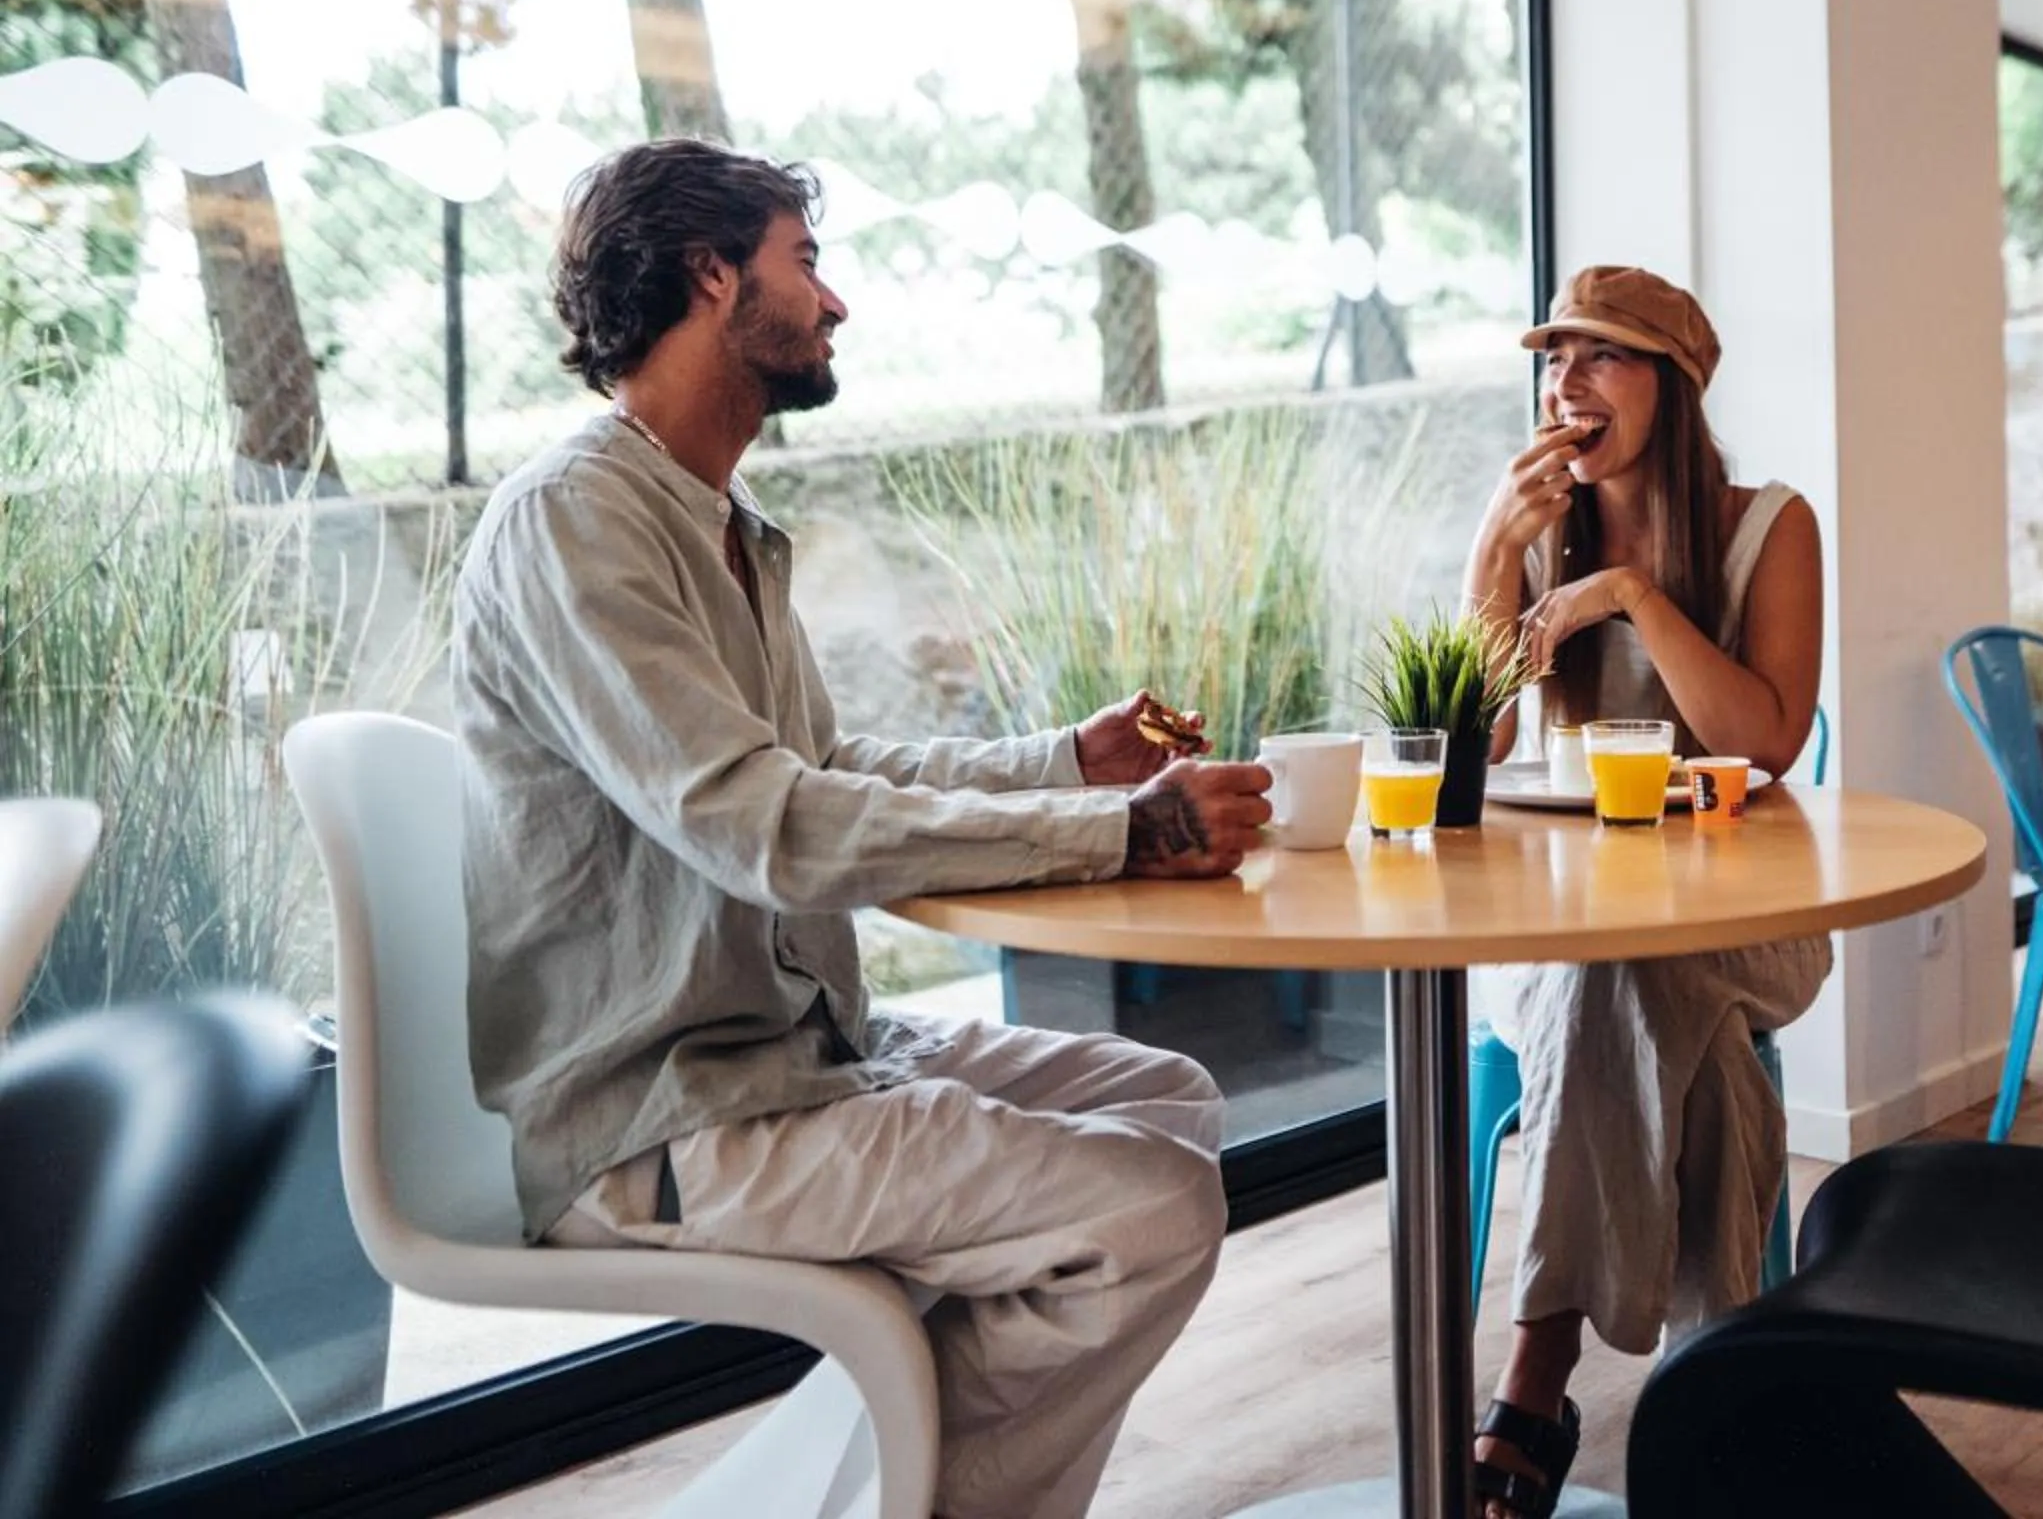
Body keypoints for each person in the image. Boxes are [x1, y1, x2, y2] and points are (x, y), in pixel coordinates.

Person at [449, 140, 1272, 1519]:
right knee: (1148, 1215)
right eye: (806, 263)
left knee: (1169, 1102)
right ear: (715, 278)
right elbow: (767, 826)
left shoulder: (721, 523)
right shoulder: (574, 524)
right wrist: (1116, 836)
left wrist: (1065, 764)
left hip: (793, 1052)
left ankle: (891, 1488)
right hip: (668, 1115)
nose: (834, 305)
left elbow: (822, 767)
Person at [1462, 265, 1827, 1519]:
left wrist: (1631, 596)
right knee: (1684, 1040)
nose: (1567, 381)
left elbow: (1768, 737)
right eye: (1556, 356)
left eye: (1603, 356)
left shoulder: (1768, 524)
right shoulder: (1535, 531)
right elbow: (1479, 743)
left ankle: (1533, 1376)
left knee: (1643, 973)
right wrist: (1494, 548)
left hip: (1744, 921)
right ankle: (1708, 1384)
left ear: (1671, 387)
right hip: (1571, 932)